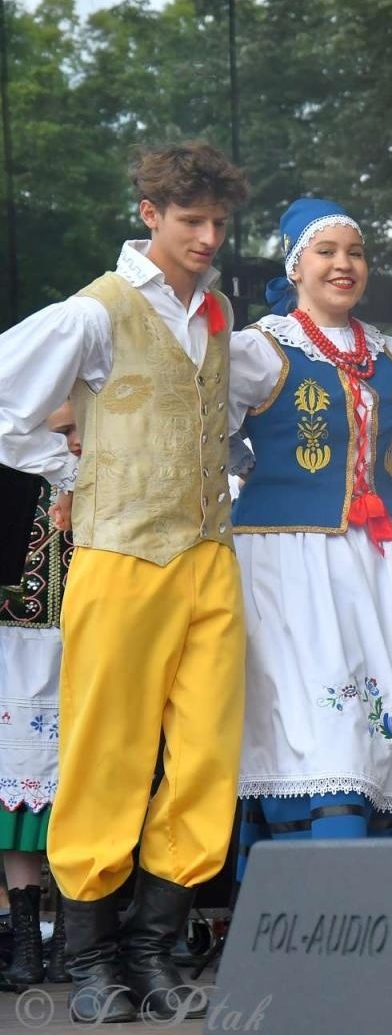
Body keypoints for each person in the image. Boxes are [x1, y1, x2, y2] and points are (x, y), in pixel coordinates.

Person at [0, 141, 249, 1023]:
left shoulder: (218, 312)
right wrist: (78, 473)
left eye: (217, 223)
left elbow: (237, 403)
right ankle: (93, 958)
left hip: (209, 559)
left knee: (207, 758)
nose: (207, 237)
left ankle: (151, 949)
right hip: (121, 559)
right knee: (108, 753)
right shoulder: (95, 311)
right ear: (149, 214)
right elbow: (5, 401)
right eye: (191, 221)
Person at [228, 198, 392, 853]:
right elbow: (198, 433)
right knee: (326, 727)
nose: (344, 264)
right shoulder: (258, 350)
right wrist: (244, 470)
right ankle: (313, 889)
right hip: (291, 563)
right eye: (327, 252)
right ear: (296, 266)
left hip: (390, 564)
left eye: (356, 252)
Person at [0, 406, 77, 990]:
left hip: (88, 644)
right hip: (14, 643)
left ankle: (78, 936)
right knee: (14, 795)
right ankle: (27, 941)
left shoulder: (105, 460)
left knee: (82, 792)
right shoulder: (11, 456)